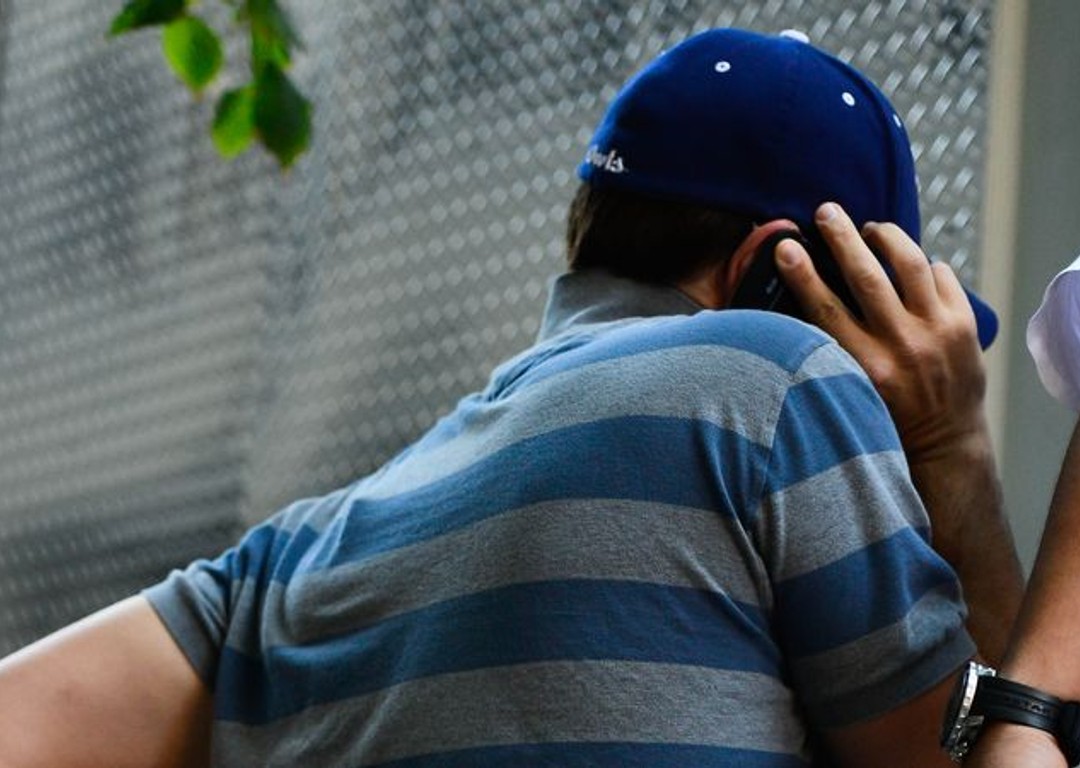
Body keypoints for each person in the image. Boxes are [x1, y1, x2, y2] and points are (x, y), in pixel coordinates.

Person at [0, 28, 1023, 767]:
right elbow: (976, 756)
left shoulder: (292, 560)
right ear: (777, 270)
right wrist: (952, 449)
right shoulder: (773, 378)